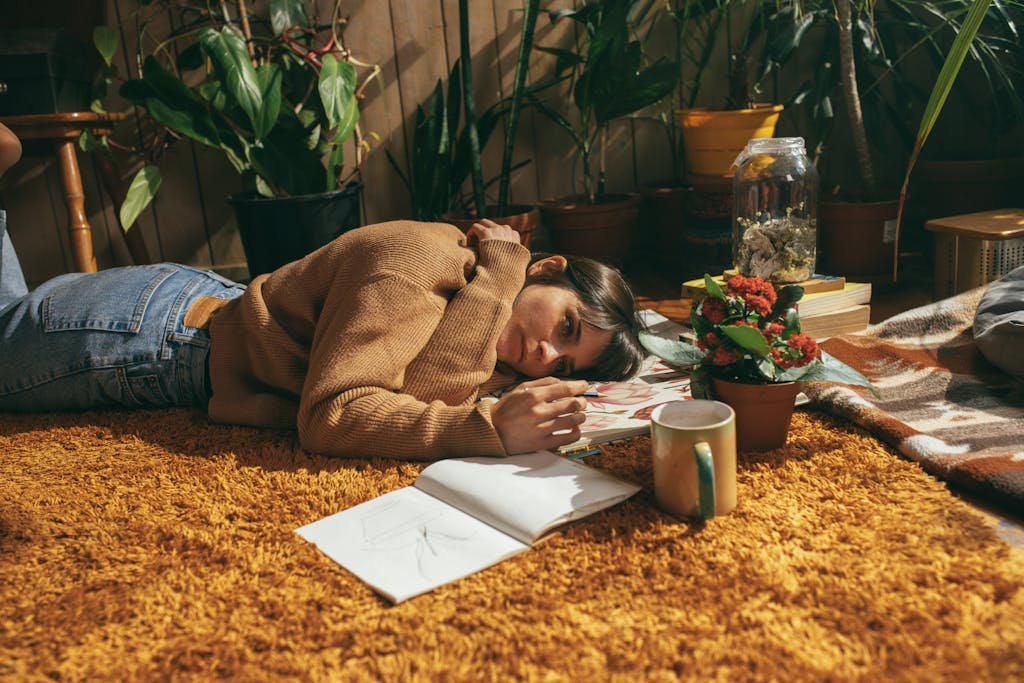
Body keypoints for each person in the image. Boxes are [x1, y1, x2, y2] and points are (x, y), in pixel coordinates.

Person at [0, 147, 646, 459]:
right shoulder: (417, 263)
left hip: (199, 311)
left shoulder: (477, 307)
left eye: (565, 363)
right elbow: (335, 413)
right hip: (149, 340)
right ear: (547, 266)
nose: (543, 354)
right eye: (565, 324)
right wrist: (486, 427)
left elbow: (421, 384)